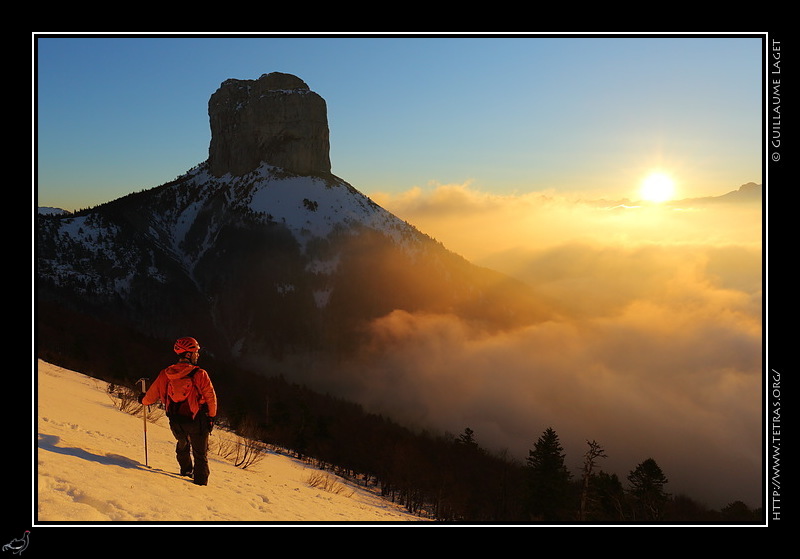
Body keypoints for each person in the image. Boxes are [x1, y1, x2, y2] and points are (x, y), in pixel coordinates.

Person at [140, 337, 218, 485]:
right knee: (200, 454)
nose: (198, 355)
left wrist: (143, 400)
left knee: (182, 443)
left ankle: (186, 470)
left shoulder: (166, 374)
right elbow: (210, 397)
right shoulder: (200, 374)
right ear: (188, 354)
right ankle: (200, 485)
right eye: (195, 352)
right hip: (197, 420)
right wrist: (211, 417)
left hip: (176, 420)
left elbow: (151, 396)